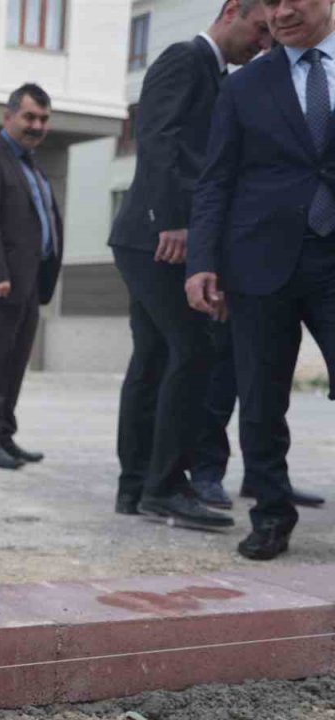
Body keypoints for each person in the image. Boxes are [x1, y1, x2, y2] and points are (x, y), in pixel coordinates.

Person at [109, 0, 272, 528]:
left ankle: (136, 486)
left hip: (152, 235)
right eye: (260, 30)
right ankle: (163, 486)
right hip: (157, 237)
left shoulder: (218, 75)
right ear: (232, 11)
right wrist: (174, 220)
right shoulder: (184, 58)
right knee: (194, 349)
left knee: (153, 357)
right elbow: (157, 139)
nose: (264, 45)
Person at [187, 0, 335, 560]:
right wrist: (203, 261)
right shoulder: (245, 86)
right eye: (269, 3)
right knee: (260, 402)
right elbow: (215, 180)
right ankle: (271, 514)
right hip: (259, 262)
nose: (281, 12)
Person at [0, 83, 64, 470]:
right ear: (8, 117)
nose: (37, 125)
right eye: (29, 117)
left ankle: (2, 436)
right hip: (0, 283)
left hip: (29, 283)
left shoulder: (30, 164)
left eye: (43, 119)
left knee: (15, 363)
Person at [189, 319, 326, 509]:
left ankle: (263, 477)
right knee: (220, 378)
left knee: (267, 385)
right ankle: (206, 473)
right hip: (233, 295)